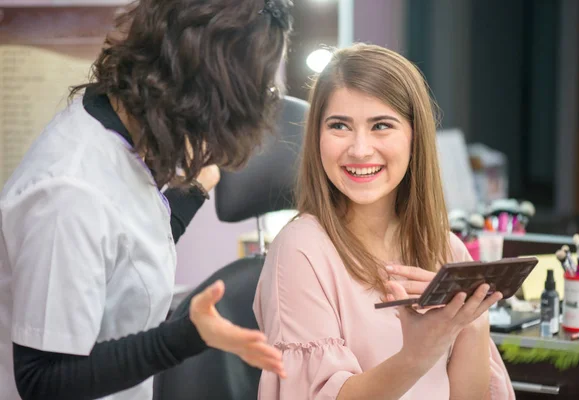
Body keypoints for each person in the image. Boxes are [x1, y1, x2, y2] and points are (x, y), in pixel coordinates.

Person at [0, 1, 293, 399]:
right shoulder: (70, 195)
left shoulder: (114, 129)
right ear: (196, 87)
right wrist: (181, 338)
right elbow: (43, 379)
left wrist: (193, 192)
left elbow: (122, 259)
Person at [253, 43, 515, 400]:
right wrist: (419, 353)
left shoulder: (445, 247)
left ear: (414, 136)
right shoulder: (300, 251)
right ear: (317, 137)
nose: (360, 149)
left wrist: (471, 321)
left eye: (381, 125)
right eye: (339, 126)